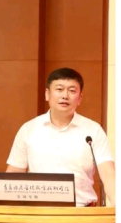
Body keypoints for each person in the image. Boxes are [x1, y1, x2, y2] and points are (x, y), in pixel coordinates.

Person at [6, 67, 115, 206]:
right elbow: (14, 174)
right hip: (38, 212)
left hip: (83, 213)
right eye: (59, 89)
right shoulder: (28, 129)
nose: (65, 96)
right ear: (47, 94)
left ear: (79, 98)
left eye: (72, 91)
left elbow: (108, 174)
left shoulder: (93, 131)